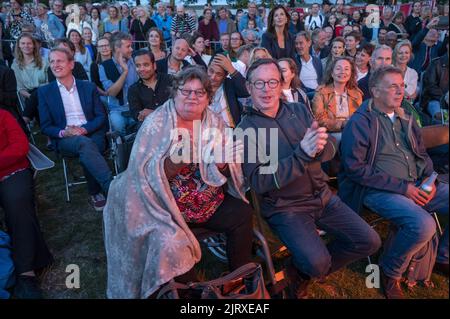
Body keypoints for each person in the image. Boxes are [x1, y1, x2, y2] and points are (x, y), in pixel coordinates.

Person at [104, 66, 253, 299]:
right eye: (186, 91)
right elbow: (144, 173)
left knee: (242, 212)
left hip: (206, 202)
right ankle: (194, 297)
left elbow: (221, 167)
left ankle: (237, 281)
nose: (192, 97)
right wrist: (178, 159)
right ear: (175, 93)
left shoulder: (213, 121)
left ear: (207, 97)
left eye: (199, 92)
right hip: (164, 208)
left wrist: (223, 162)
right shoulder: (157, 123)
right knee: (172, 245)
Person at [239, 58, 381, 299]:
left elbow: (326, 153)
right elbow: (259, 182)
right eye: (259, 83)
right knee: (318, 263)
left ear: (281, 83)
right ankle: (310, 267)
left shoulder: (298, 110)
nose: (266, 89)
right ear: (249, 88)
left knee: (369, 241)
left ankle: (297, 272)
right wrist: (302, 154)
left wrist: (321, 147)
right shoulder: (245, 129)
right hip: (287, 208)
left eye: (272, 82)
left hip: (323, 196)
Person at [339, 65, 449, 299]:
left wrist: (431, 181)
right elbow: (355, 169)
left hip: (416, 183)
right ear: (375, 91)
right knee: (423, 225)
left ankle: (443, 256)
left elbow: (421, 154)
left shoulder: (406, 117)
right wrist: (404, 188)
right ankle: (391, 271)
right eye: (393, 86)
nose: (400, 91)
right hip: (378, 190)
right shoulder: (361, 122)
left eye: (402, 86)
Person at [38, 48, 113, 211]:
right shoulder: (44, 92)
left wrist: (84, 129)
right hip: (66, 138)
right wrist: (64, 132)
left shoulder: (88, 87)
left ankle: (96, 192)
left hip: (92, 131)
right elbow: (45, 126)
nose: (55, 65)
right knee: (84, 145)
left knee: (88, 146)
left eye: (60, 61)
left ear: (72, 64)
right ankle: (112, 187)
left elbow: (101, 116)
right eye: (52, 61)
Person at [0, 109, 54, 299]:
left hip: (12, 171)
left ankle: (26, 273)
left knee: (17, 202)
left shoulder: (3, 116)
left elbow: (20, 146)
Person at [312, 57, 362, 137]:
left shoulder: (357, 94)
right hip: (329, 135)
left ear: (351, 73)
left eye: (346, 69)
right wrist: (342, 124)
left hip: (352, 133)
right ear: (332, 73)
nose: (342, 72)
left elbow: (360, 118)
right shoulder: (321, 93)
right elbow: (320, 120)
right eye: (338, 69)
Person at [128, 49, 171, 123]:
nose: (142, 69)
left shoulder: (169, 80)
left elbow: (179, 106)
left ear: (154, 66)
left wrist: (153, 113)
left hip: (173, 125)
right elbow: (137, 115)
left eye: (146, 65)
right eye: (138, 65)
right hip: (149, 129)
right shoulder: (133, 90)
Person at [207, 53, 249, 128]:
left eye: (219, 74)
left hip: (229, 130)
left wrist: (231, 69)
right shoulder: (200, 84)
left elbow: (246, 91)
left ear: (225, 76)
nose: (213, 77)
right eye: (211, 71)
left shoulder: (229, 84)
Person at [422, 43, 449, 122]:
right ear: (447, 45)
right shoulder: (436, 63)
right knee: (441, 116)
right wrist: (445, 98)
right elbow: (430, 86)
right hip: (435, 99)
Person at [293, 31, 323, 95]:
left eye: (301, 43)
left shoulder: (317, 61)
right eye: (296, 43)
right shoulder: (294, 62)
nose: (298, 46)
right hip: (303, 94)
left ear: (309, 43)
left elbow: (321, 80)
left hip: (318, 94)